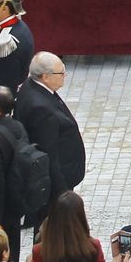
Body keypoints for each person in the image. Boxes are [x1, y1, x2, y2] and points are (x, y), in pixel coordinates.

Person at [16, 52, 87, 220]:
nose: (65, 76)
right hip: (55, 186)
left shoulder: (32, 86)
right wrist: (63, 193)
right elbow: (49, 155)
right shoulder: (41, 109)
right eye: (61, 73)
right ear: (45, 77)